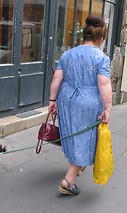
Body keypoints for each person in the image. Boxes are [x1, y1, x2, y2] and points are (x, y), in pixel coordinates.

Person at [48, 16, 112, 196]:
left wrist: (52, 101)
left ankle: (78, 164)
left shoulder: (67, 54)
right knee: (85, 137)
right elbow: (104, 83)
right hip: (89, 101)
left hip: (67, 99)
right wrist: (108, 108)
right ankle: (68, 180)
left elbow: (57, 78)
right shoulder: (102, 58)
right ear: (101, 39)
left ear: (83, 36)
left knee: (72, 134)